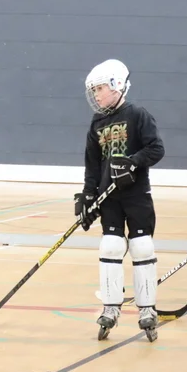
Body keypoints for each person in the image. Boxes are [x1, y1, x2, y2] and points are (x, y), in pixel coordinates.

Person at [76, 59, 164, 342]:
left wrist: (133, 162)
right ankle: (110, 307)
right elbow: (92, 163)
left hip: (137, 195)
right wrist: (88, 195)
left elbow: (156, 149)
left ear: (117, 85)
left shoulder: (137, 114)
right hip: (109, 197)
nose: (97, 95)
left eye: (100, 88)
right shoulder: (97, 122)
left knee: (142, 246)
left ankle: (147, 309)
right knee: (111, 246)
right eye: (94, 90)